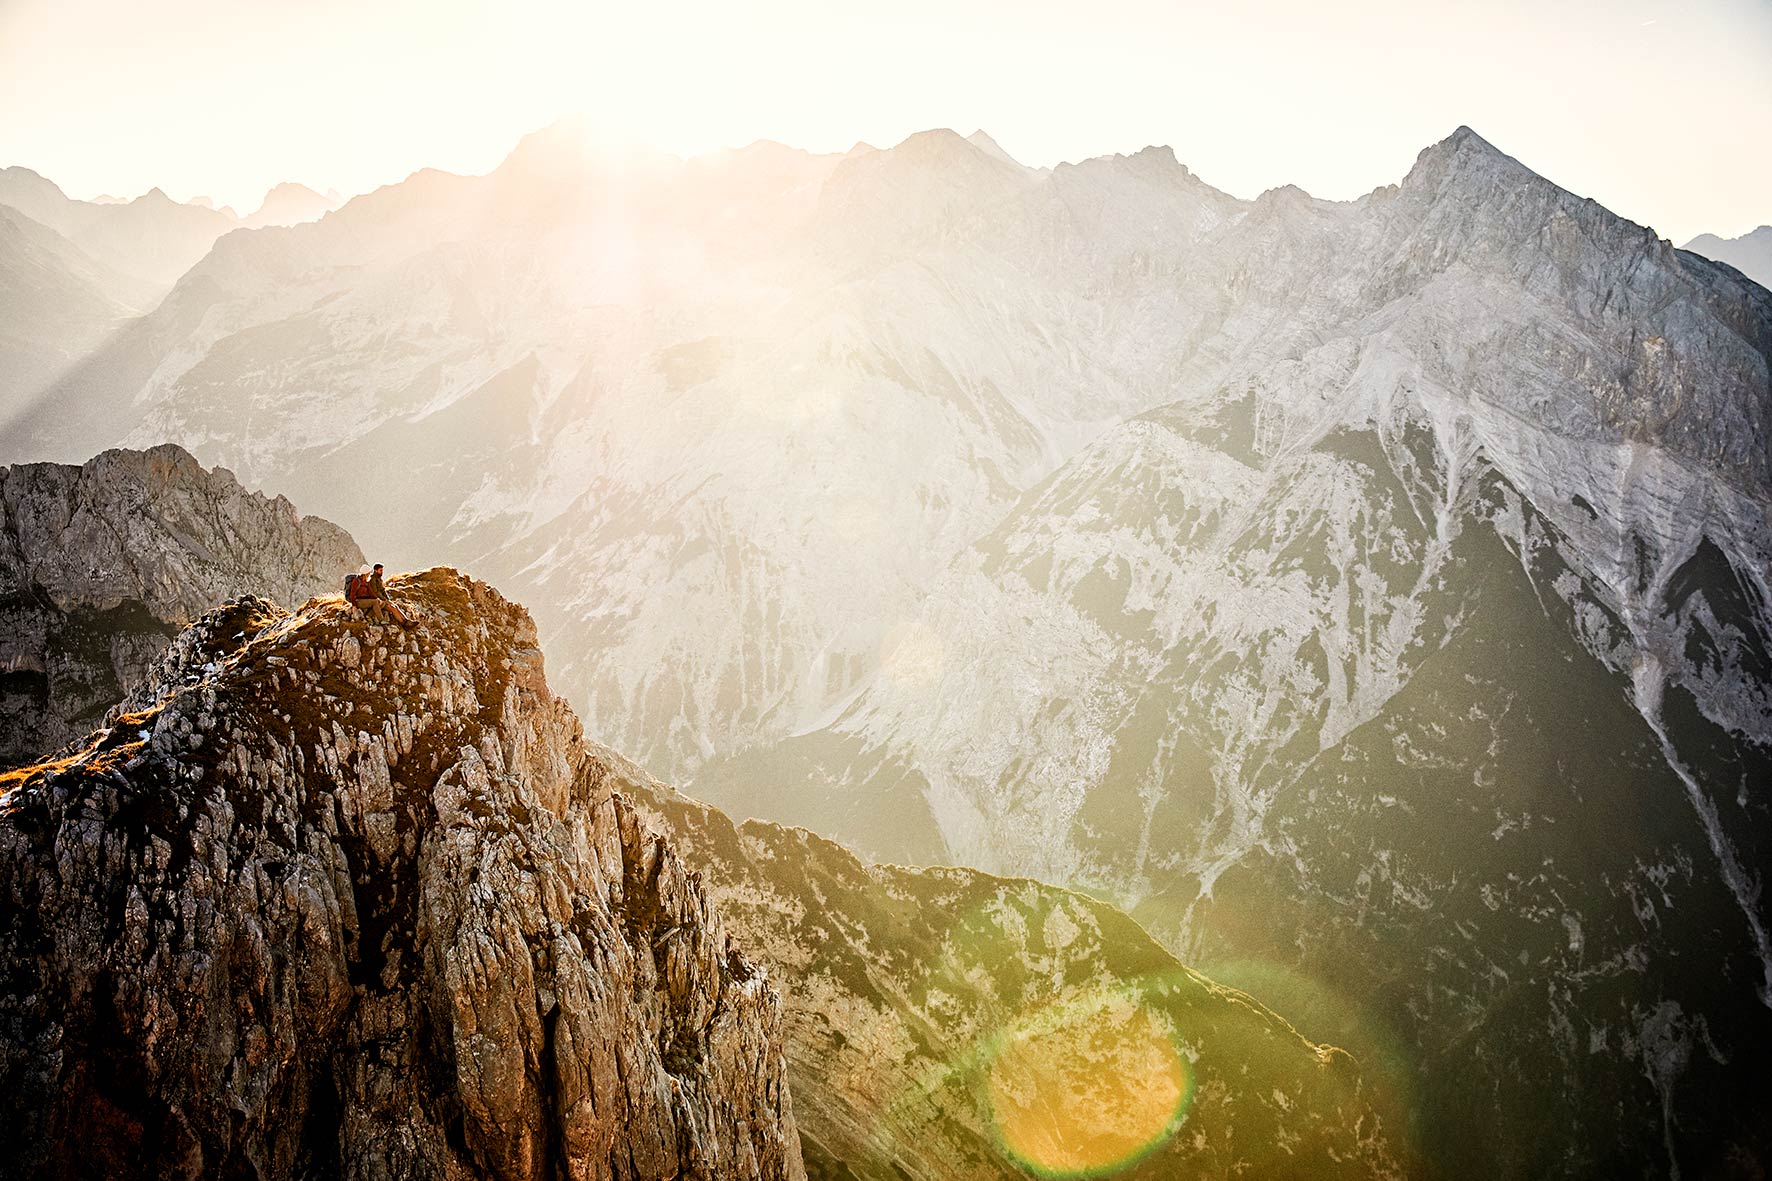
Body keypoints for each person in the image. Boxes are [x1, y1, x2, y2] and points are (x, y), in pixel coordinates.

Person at [350, 563, 414, 628]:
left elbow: (371, 592)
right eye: (368, 573)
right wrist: (354, 605)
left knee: (391, 605)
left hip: (366, 600)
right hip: (359, 601)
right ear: (365, 573)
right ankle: (381, 620)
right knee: (377, 602)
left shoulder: (366, 582)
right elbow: (352, 594)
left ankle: (406, 621)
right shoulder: (357, 581)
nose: (369, 574)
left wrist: (379, 599)